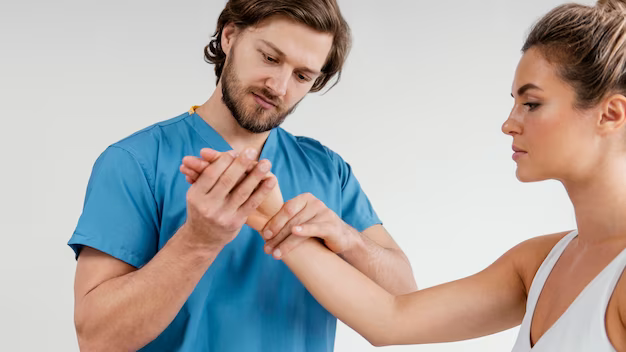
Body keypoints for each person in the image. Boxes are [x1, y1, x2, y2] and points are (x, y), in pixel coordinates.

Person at [181, 0, 626, 350]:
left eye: (531, 103)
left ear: (610, 114)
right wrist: (268, 213)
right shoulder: (538, 263)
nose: (509, 123)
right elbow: (390, 319)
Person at [68, 0, 416, 351]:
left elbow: (405, 298)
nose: (279, 87)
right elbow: (97, 338)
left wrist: (348, 238)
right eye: (270, 58)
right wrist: (198, 241)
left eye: (301, 76)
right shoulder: (135, 162)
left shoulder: (328, 170)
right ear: (230, 36)